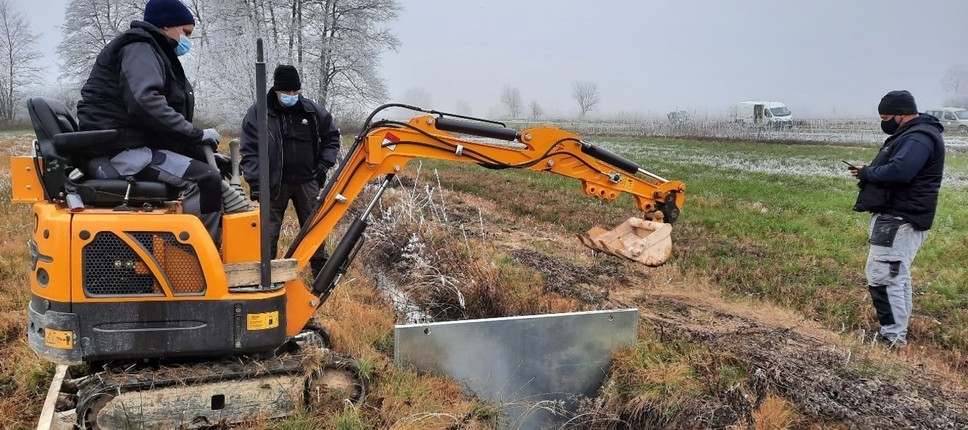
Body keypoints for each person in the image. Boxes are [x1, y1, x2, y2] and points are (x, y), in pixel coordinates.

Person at [76, 0, 224, 245]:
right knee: (204, 179)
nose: (187, 40)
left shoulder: (154, 51)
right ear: (167, 25)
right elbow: (146, 103)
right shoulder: (140, 47)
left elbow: (156, 123)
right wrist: (196, 135)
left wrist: (197, 150)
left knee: (210, 170)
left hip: (129, 144)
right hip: (118, 151)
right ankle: (195, 262)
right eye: (186, 32)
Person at [850, 90, 945, 349]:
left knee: (883, 274)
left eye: (886, 117)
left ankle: (892, 337)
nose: (884, 122)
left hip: (899, 217)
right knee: (896, 275)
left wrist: (869, 172)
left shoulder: (918, 138)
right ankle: (896, 332)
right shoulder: (913, 135)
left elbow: (901, 171)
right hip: (896, 214)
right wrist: (867, 173)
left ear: (901, 115)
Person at [240, 65, 341, 276]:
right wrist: (256, 182)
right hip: (274, 183)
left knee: (314, 227)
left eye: (296, 92)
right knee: (268, 232)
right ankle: (265, 275)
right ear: (276, 90)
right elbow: (249, 151)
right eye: (287, 92)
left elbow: (332, 137)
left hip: (307, 182)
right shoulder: (259, 113)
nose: (292, 96)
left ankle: (320, 274)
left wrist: (324, 165)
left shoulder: (312, 112)